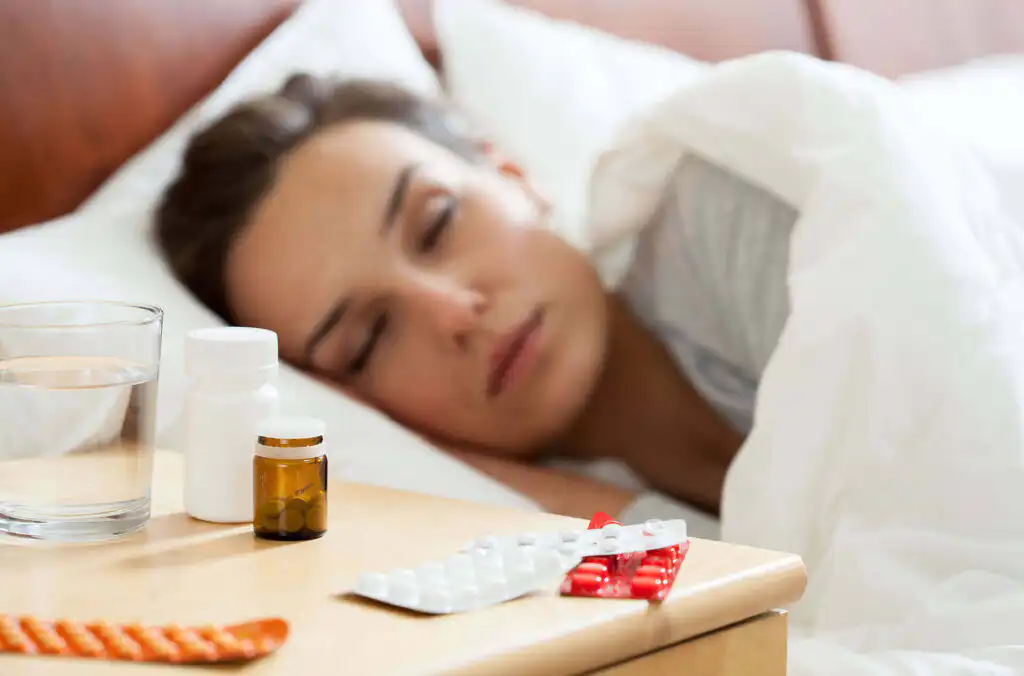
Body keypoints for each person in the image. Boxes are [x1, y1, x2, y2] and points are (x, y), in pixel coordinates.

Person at [156, 74, 798, 521]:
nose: (452, 311)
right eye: (370, 339)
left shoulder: (730, 206)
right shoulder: (539, 523)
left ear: (512, 172)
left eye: (437, 224)